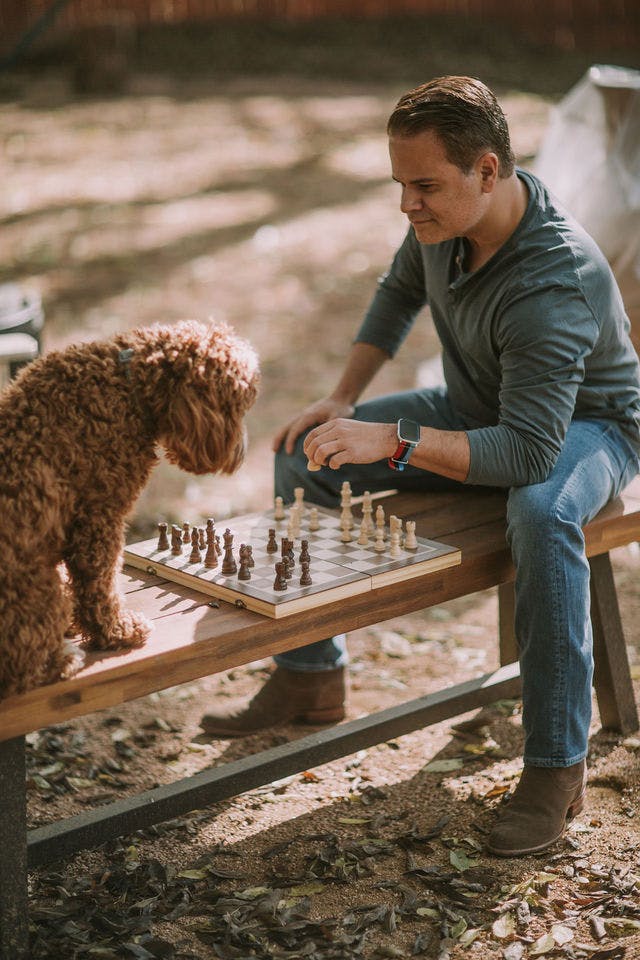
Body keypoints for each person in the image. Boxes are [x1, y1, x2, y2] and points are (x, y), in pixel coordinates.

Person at [201, 76, 640, 856]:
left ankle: (555, 765)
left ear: (488, 171)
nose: (407, 205)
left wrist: (397, 440)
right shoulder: (444, 223)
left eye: (424, 185)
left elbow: (532, 452)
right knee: (309, 455)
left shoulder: (551, 281)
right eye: (400, 184)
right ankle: (311, 676)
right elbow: (398, 291)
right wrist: (341, 401)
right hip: (479, 404)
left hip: (590, 428)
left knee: (539, 510)